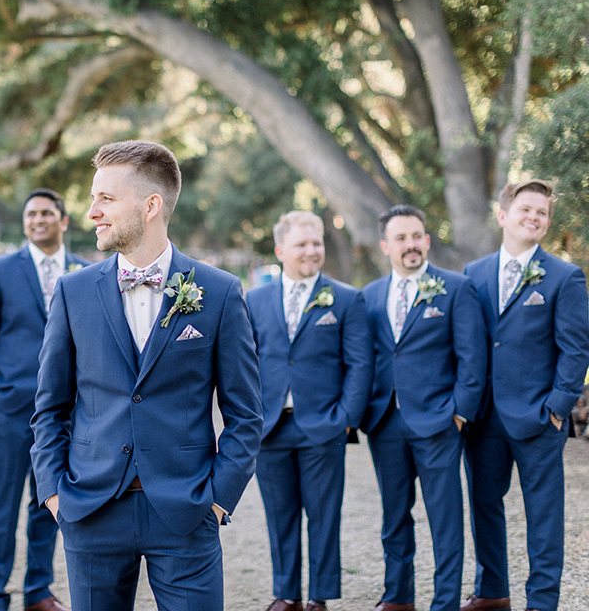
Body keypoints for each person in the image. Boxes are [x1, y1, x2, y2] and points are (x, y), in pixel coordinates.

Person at [30, 140, 262, 611]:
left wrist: (217, 499)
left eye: (106, 199)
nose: (92, 212)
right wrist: (55, 493)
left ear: (151, 205)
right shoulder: (73, 293)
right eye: (94, 198)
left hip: (186, 509)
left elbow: (245, 414)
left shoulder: (217, 292)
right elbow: (50, 407)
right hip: (91, 509)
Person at [461, 180, 589, 611]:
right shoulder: (473, 274)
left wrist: (557, 407)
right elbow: (469, 343)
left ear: (547, 224)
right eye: (526, 209)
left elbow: (576, 349)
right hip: (483, 417)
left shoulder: (564, 276)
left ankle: (542, 601)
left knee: (544, 514)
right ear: (503, 216)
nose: (534, 217)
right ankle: (493, 592)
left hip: (538, 416)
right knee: (483, 504)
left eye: (542, 213)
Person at [360, 205, 487, 611]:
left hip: (438, 421)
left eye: (417, 236)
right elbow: (367, 358)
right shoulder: (369, 296)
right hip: (385, 422)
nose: (410, 244)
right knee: (394, 517)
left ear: (427, 240)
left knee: (445, 519)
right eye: (401, 238)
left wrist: (459, 412)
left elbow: (473, 357)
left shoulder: (455, 287)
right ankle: (398, 597)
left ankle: (445, 602)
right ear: (385, 246)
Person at [0, 189, 88, 611]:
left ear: (63, 220)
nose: (38, 220)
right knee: (2, 504)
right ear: (24, 223)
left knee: (49, 502)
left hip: (67, 413)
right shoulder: (0, 270)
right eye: (31, 214)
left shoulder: (85, 271)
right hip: (12, 409)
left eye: (46, 213)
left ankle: (38, 590)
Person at [246, 211, 373, 611]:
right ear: (281, 250)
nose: (311, 251)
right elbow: (244, 363)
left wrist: (346, 417)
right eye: (302, 244)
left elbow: (360, 363)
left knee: (323, 515)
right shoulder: (254, 300)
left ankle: (319, 597)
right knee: (280, 516)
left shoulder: (346, 298)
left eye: (316, 243)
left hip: (324, 424)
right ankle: (286, 595)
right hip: (270, 427)